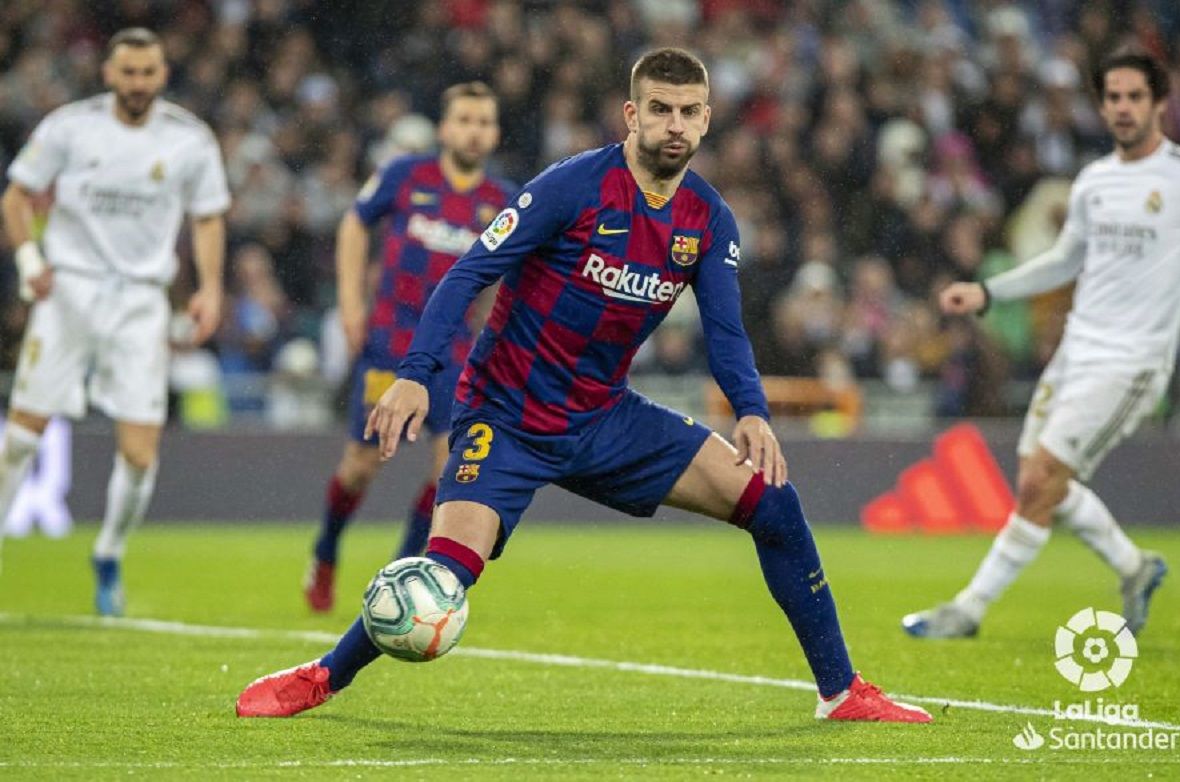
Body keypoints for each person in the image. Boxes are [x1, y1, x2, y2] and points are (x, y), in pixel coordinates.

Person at [238, 48, 930, 723]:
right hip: (504, 417)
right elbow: (466, 274)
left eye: (689, 111)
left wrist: (752, 411)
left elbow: (725, 332)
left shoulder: (708, 219)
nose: (675, 125)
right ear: (632, 114)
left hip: (603, 418)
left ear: (708, 120)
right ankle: (324, 675)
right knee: (442, 577)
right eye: (660, 109)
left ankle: (840, 693)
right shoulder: (571, 187)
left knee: (773, 501)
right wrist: (417, 376)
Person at [903, 49, 1180, 640]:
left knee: (1041, 481)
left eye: (1136, 96)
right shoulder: (1094, 181)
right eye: (1113, 97)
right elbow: (1063, 261)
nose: (1124, 108)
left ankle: (969, 609)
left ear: (1159, 103)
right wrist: (988, 292)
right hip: (1076, 351)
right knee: (1040, 482)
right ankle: (1135, 568)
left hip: (1132, 361)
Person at [0, 28, 229, 614]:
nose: (136, 83)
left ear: (162, 75)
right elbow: (16, 197)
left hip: (140, 302)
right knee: (22, 435)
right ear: (108, 73)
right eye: (127, 72)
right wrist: (29, 261)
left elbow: (207, 219)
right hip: (68, 291)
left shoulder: (189, 140)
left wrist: (208, 287)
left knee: (139, 453)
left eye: (147, 73)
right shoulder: (69, 128)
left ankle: (108, 554)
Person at [302, 83, 512, 612]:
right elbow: (354, 222)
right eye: (464, 119)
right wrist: (351, 303)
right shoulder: (405, 176)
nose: (474, 130)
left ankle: (398, 575)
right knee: (361, 464)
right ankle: (325, 550)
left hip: (459, 352)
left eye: (484, 121)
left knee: (448, 470)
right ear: (444, 128)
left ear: (496, 132)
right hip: (391, 345)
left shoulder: (502, 201)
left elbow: (517, 276)